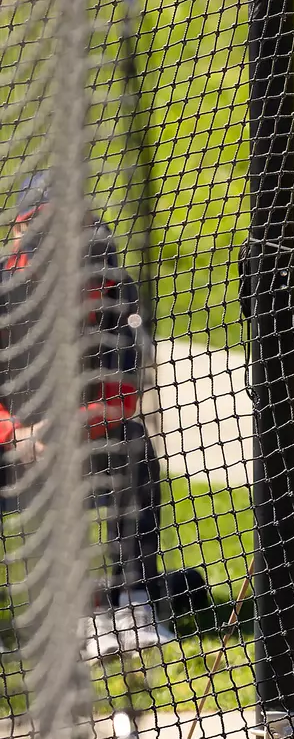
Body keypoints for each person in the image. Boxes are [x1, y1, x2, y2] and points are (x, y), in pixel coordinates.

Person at [0, 173, 204, 659]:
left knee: (134, 445)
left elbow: (122, 391)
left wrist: (68, 429)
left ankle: (132, 602)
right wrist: (16, 434)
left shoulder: (116, 293)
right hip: (9, 450)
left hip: (81, 441)